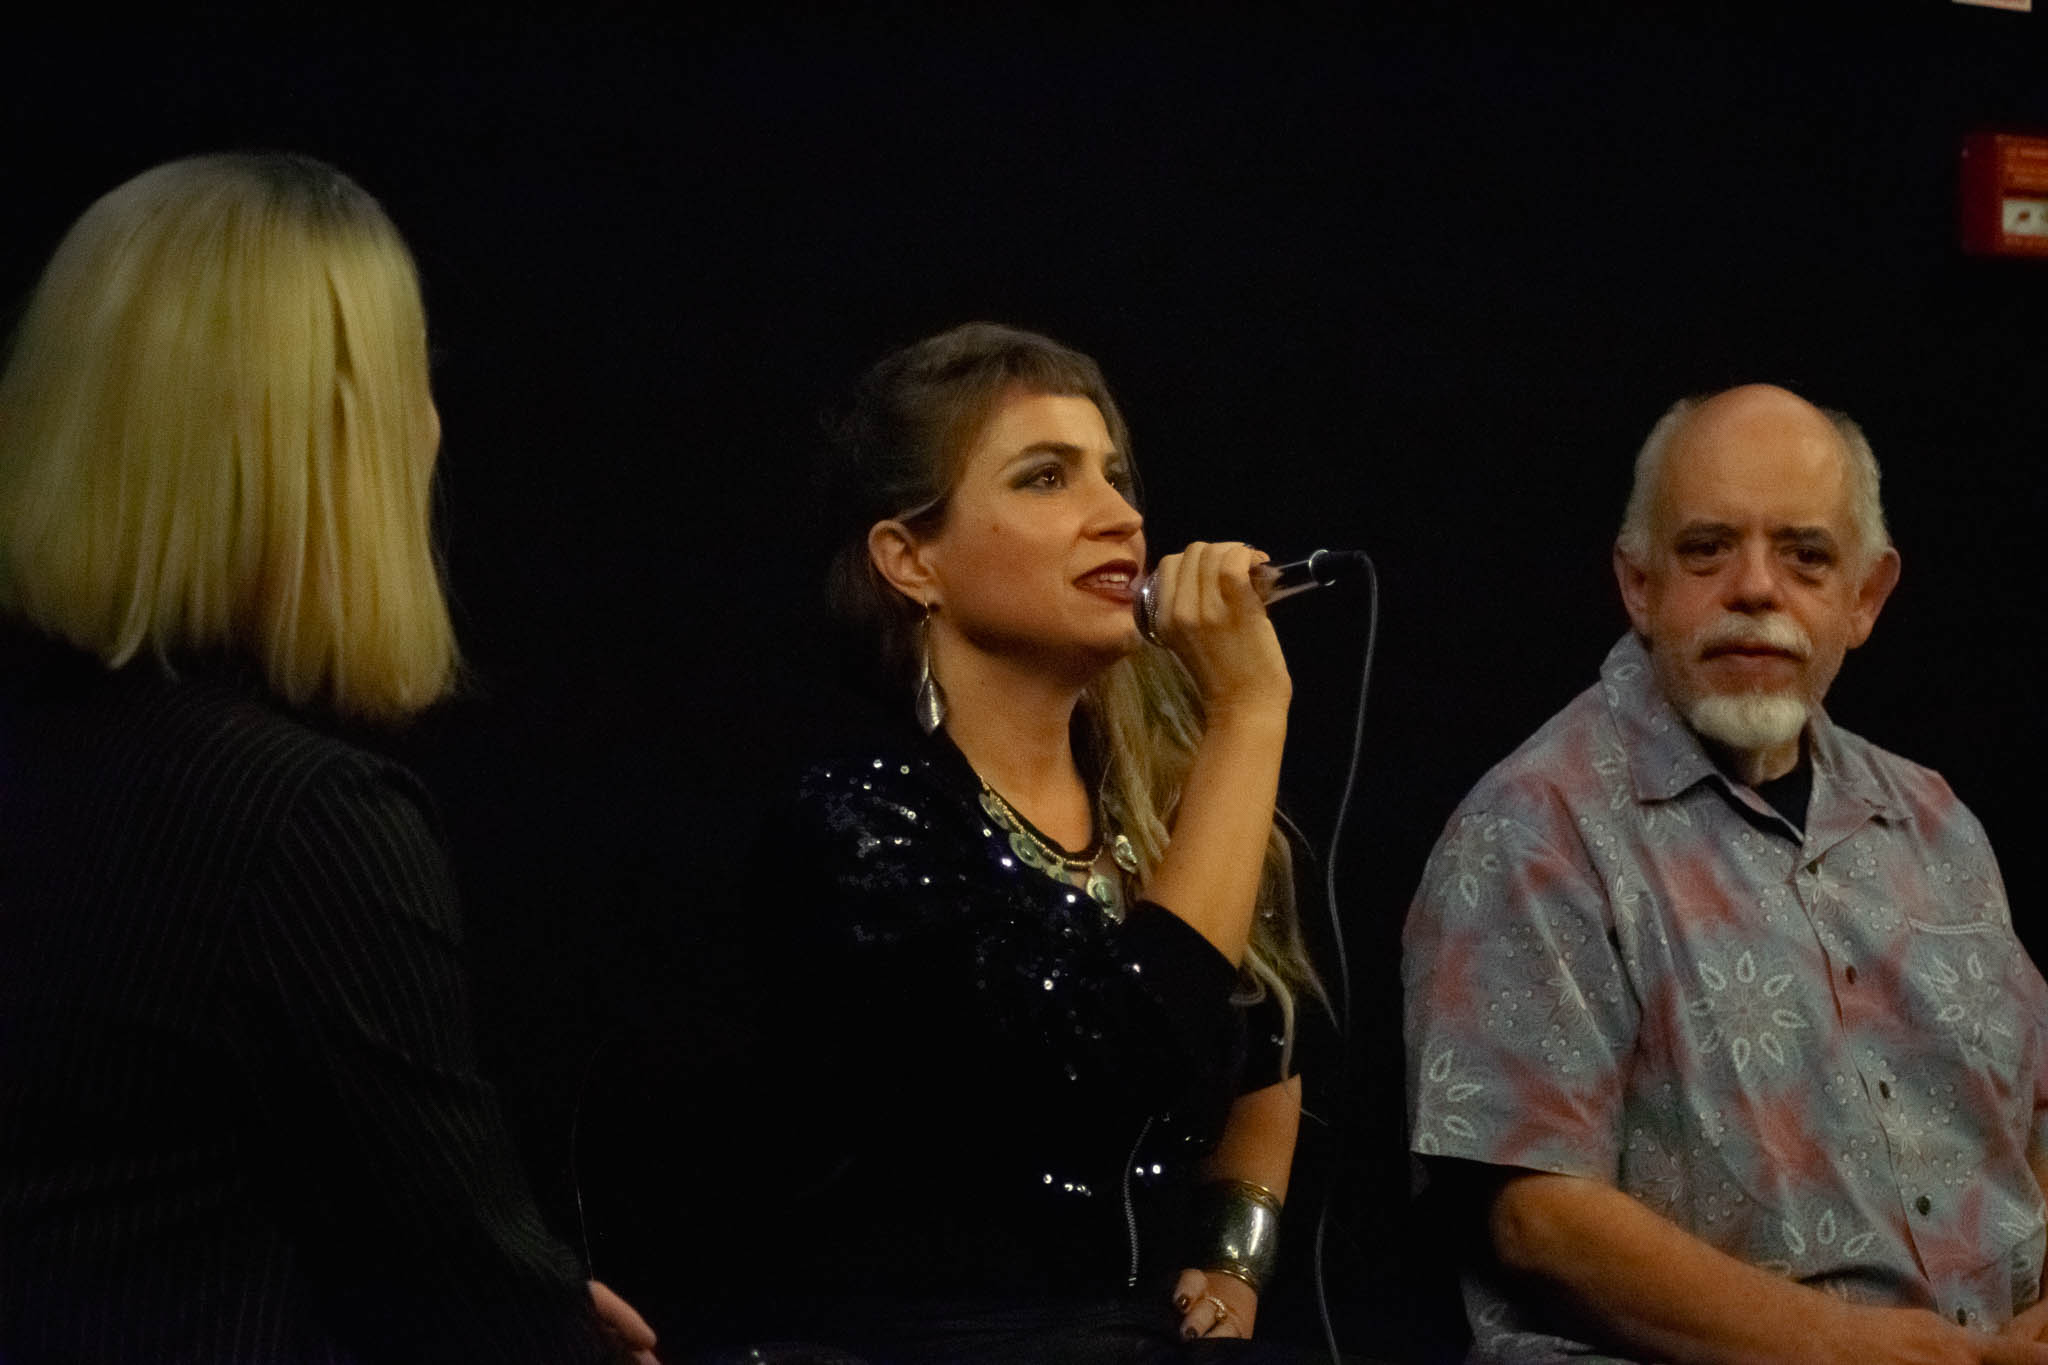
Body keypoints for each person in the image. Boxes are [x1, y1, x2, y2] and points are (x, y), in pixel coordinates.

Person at [0, 154, 655, 1363]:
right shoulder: (300, 821)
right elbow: (461, 1278)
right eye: (412, 380)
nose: (433, 424)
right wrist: (549, 1314)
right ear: (332, 437)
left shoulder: (50, 758)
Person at [1402, 383, 2048, 1364]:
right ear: (1638, 585)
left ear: (1864, 598)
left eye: (1804, 556)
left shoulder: (1933, 821)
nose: (1754, 588)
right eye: (1706, 549)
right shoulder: (1535, 828)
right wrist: (1847, 1349)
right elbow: (1536, 1216)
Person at [760, 322, 1325, 1361]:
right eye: (1046, 478)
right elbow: (1120, 1050)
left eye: (1114, 475)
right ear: (910, 559)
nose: (1121, 516)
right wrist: (1248, 713)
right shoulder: (860, 820)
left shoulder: (1168, 805)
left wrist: (1234, 1257)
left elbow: (1269, 1053)